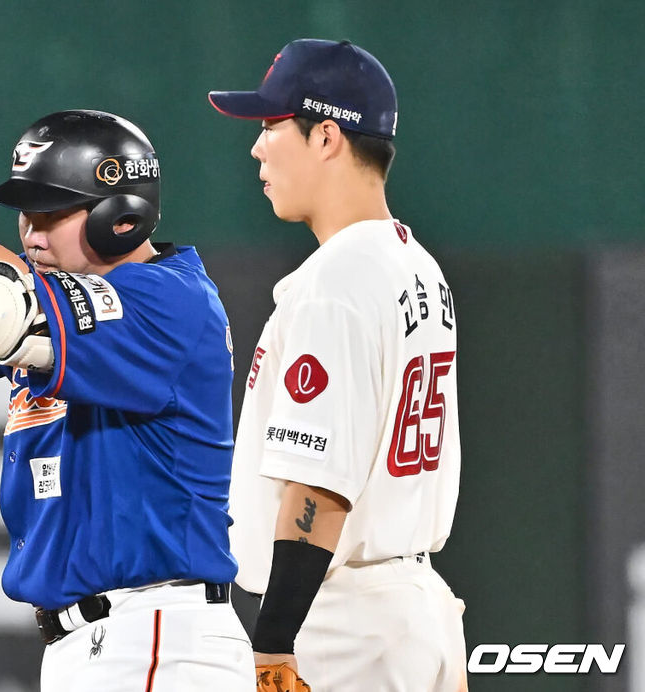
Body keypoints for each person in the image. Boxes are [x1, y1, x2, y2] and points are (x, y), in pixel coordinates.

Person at [0, 110, 255, 691]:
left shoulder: (168, 300)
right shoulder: (50, 297)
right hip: (96, 646)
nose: (32, 233)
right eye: (26, 213)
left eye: (53, 213)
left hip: (156, 637)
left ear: (121, 217)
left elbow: (9, 311)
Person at [209, 40, 468, 691]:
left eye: (272, 126)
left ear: (327, 136)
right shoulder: (416, 265)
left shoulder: (336, 282)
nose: (258, 147)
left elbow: (318, 486)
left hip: (343, 626)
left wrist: (273, 643)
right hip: (413, 608)